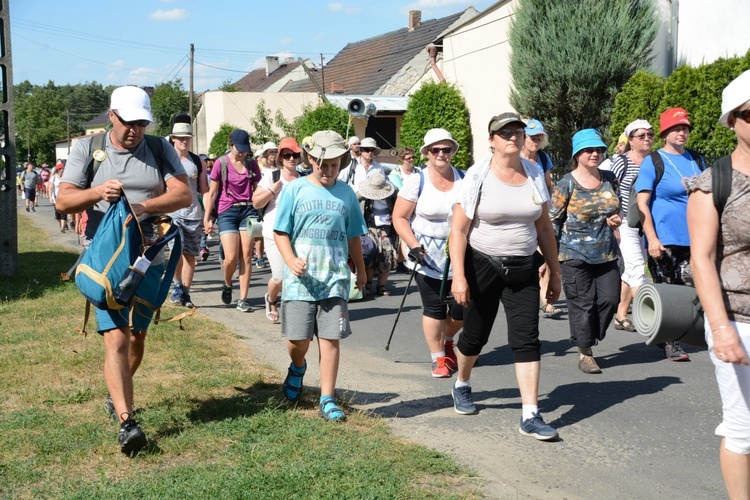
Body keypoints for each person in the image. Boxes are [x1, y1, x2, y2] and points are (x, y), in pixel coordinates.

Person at [56, 85, 191, 455]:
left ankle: (116, 393)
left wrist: (144, 206)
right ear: (111, 115)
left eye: (141, 123)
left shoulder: (160, 148)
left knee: (136, 338)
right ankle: (127, 422)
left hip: (150, 254)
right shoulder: (88, 149)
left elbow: (184, 195)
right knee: (115, 337)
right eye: (128, 122)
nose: (134, 130)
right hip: (107, 258)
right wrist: (97, 193)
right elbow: (64, 200)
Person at [448, 113, 561, 440]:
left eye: (518, 131)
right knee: (475, 335)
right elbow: (458, 230)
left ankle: (530, 413)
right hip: (481, 263)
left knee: (526, 338)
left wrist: (554, 272)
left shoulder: (535, 173)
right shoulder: (477, 176)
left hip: (523, 265)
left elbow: (544, 228)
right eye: (504, 132)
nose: (512, 136)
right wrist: (459, 276)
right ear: (492, 140)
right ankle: (462, 383)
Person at [273, 130, 367, 422]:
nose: (328, 170)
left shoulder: (346, 193)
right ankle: (298, 367)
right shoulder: (295, 190)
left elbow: (353, 236)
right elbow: (280, 231)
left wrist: (361, 271)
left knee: (330, 339)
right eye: (322, 164)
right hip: (301, 281)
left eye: (334, 165)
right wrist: (290, 261)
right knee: (297, 340)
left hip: (334, 278)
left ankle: (327, 398)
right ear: (310, 159)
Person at [688, 69, 750, 499]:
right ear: (733, 120)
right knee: (744, 428)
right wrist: (721, 327)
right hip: (738, 317)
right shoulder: (714, 183)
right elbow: (701, 260)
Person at [633, 107, 706, 361]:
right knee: (668, 289)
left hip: (696, 236)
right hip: (666, 238)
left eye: (685, 128)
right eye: (676, 128)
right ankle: (670, 341)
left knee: (696, 286)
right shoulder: (654, 162)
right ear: (665, 132)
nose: (682, 132)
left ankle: (684, 332)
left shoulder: (696, 159)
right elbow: (642, 204)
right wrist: (652, 238)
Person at [392, 128, 464, 378]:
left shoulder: (465, 179)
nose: (441, 154)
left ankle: (447, 339)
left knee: (460, 310)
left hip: (459, 253)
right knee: (434, 308)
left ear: (453, 151)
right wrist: (413, 244)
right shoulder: (417, 180)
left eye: (446, 149)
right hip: (426, 254)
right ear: (427, 153)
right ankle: (438, 358)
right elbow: (399, 217)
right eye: (436, 150)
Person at [549, 129, 621, 374]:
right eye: (589, 150)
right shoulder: (566, 183)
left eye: (599, 149)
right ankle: (585, 352)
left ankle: (590, 335)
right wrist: (550, 258)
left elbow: (615, 206)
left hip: (606, 252)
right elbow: (553, 220)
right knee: (582, 304)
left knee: (610, 299)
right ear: (577, 154)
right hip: (574, 254)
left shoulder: (610, 177)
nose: (595, 154)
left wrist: (615, 218)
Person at [202, 129, 262, 312]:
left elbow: (258, 189)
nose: (242, 153)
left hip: (248, 211)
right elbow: (212, 192)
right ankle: (227, 283)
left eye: (245, 149)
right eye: (239, 149)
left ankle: (243, 299)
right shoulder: (221, 163)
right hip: (227, 211)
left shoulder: (252, 165)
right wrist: (207, 218)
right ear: (231, 145)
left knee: (246, 255)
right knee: (231, 256)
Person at [609, 120, 654, 332]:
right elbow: (609, 191)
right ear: (630, 140)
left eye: (650, 135)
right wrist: (615, 223)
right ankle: (654, 318)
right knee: (637, 268)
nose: (647, 139)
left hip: (646, 224)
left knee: (632, 269)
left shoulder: (655, 161)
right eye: (641, 136)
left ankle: (620, 315)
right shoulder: (620, 162)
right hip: (625, 221)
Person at [253, 137, 301, 323]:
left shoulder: (303, 179)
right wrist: (273, 190)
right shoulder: (271, 177)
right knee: (280, 277)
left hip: (296, 234)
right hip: (273, 232)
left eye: (295, 155)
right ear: (280, 157)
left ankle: (295, 311)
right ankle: (271, 299)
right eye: (287, 155)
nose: (291, 159)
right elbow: (256, 202)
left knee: (296, 275)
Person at [167, 122, 208, 309]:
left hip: (193, 215)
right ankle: (176, 285)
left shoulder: (198, 162)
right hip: (172, 213)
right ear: (173, 138)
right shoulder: (166, 160)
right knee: (177, 251)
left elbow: (204, 190)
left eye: (187, 138)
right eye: (180, 137)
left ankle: (185, 292)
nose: (184, 141)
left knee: (190, 255)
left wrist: (208, 216)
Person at [358, 172, 399, 297]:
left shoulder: (394, 193)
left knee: (387, 254)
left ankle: (381, 286)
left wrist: (394, 216)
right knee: (371, 253)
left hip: (387, 226)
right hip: (369, 225)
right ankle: (368, 283)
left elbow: (401, 208)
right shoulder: (361, 195)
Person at [521, 119, 554, 195]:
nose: (536, 143)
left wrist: (548, 205)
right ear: (524, 138)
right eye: (533, 139)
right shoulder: (516, 158)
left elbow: (548, 186)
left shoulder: (544, 158)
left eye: (539, 139)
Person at [50, 163, 68, 232]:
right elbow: (50, 188)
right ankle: (61, 224)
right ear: (58, 170)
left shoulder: (65, 177)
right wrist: (50, 198)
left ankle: (62, 228)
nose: (63, 170)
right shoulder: (53, 178)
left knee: (64, 212)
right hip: (56, 198)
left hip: (64, 198)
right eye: (61, 169)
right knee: (57, 215)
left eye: (63, 169)